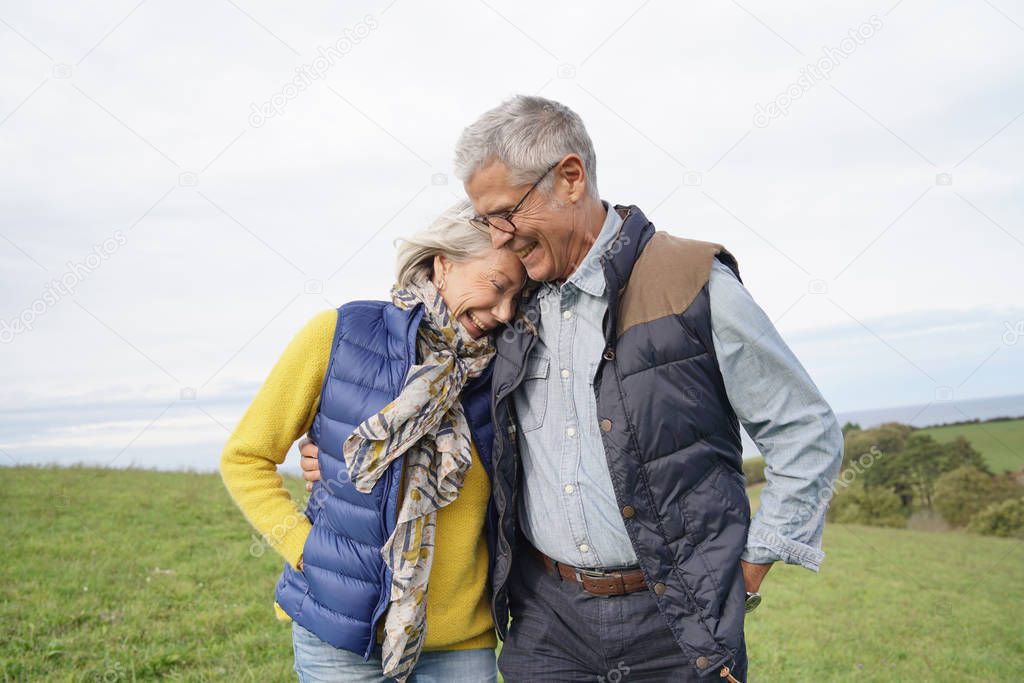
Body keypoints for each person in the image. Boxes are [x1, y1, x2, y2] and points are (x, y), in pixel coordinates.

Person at [450, 95, 845, 682]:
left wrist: (751, 568)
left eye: (507, 212)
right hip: (546, 624)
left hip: (679, 625)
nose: (500, 239)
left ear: (571, 178)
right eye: (486, 221)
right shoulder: (512, 299)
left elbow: (805, 431)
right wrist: (330, 449)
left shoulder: (692, 279)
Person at [220, 200, 526, 683]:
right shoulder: (342, 334)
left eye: (517, 297)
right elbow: (246, 457)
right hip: (342, 636)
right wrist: (306, 550)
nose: (503, 312)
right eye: (496, 286)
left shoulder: (506, 370)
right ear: (443, 264)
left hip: (460, 643)